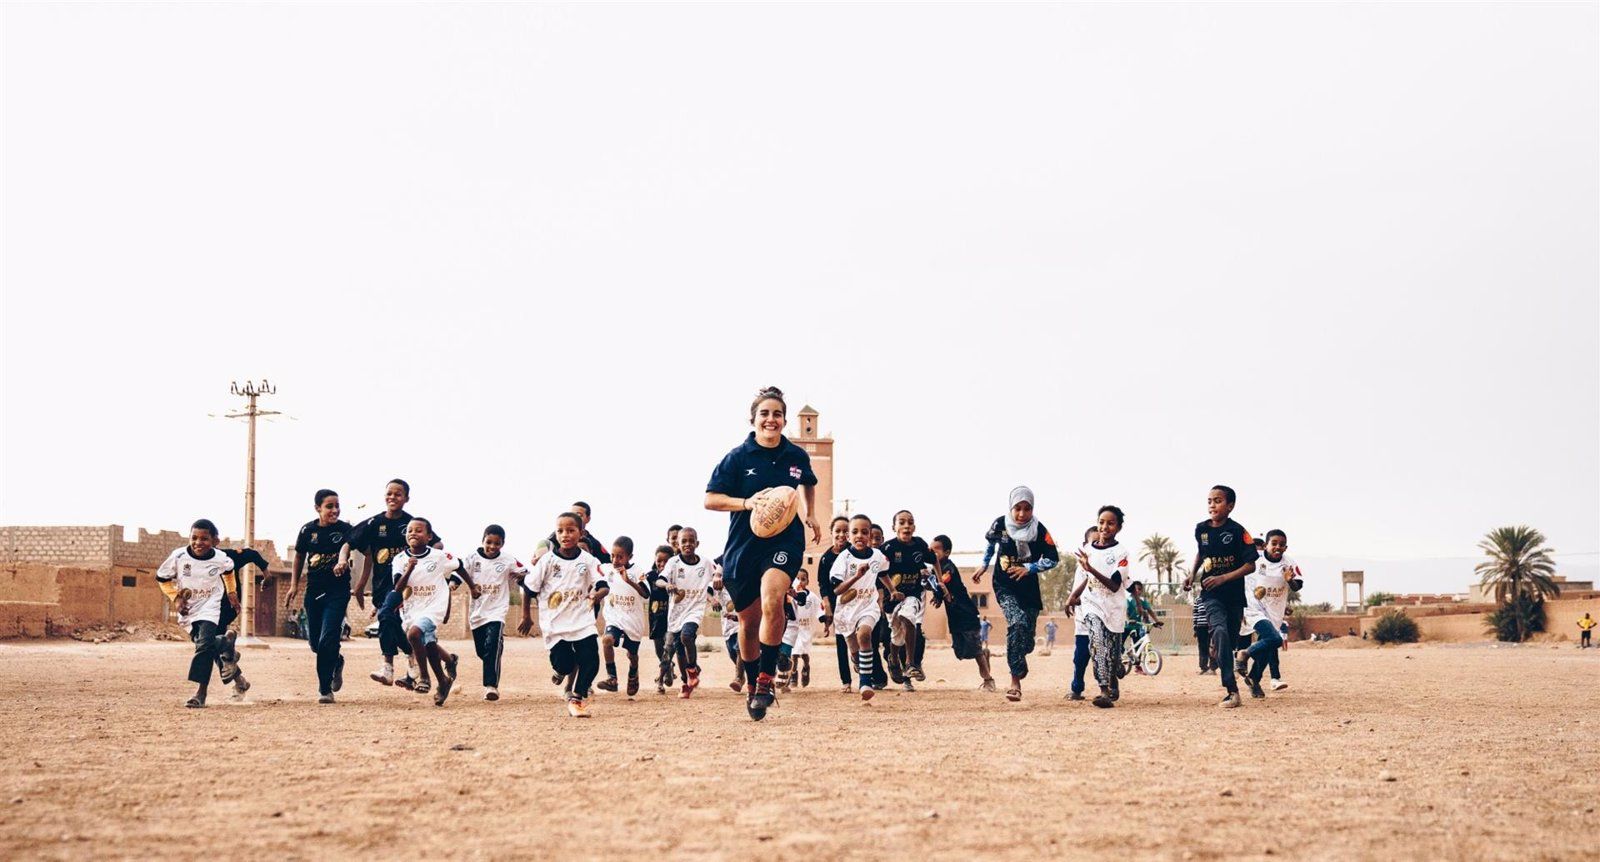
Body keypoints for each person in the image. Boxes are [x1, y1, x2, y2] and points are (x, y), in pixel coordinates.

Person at [703, 386, 821, 720]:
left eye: (777, 414)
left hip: (785, 541)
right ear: (753, 419)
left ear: (784, 419)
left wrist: (810, 513)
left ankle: (767, 680)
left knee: (773, 599)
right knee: (749, 621)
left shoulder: (796, 456)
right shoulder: (737, 457)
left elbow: (808, 482)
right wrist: (746, 502)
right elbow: (710, 499)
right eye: (764, 414)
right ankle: (754, 683)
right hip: (743, 545)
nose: (771, 419)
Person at [342, 478, 443, 688]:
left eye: (398, 494)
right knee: (392, 623)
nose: (393, 497)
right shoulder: (374, 524)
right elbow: (351, 544)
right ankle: (415, 656)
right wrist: (348, 567)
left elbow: (438, 544)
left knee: (387, 616)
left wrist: (428, 565)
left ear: (406, 498)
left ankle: (387, 666)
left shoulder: (412, 525)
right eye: (389, 493)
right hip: (382, 586)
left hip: (406, 587)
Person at [519, 512, 610, 718]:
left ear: (581, 533)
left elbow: (603, 585)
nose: (565, 535)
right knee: (565, 664)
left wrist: (597, 594)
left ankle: (576, 699)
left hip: (582, 621)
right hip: (555, 624)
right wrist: (526, 616)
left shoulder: (589, 560)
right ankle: (560, 671)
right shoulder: (547, 561)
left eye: (570, 530)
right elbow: (529, 589)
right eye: (560, 531)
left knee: (591, 660)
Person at [978, 486, 1059, 702]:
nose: (1022, 514)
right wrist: (984, 565)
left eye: (1027, 509)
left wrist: (1029, 568)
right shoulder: (1000, 524)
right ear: (1011, 507)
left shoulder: (1039, 530)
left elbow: (1053, 558)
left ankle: (1021, 655)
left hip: (1028, 589)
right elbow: (991, 546)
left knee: (1027, 641)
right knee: (1017, 622)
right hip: (1004, 586)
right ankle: (1015, 682)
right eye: (1018, 508)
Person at [1182, 485, 1259, 709]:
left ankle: (1226, 657)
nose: (1212, 505)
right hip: (1211, 594)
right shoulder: (1201, 529)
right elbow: (1202, 552)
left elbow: (1251, 565)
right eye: (1209, 501)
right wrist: (1192, 574)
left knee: (1229, 639)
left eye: (1217, 501)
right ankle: (1232, 691)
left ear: (1230, 506)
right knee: (1219, 631)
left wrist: (1224, 578)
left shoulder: (1238, 531)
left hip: (1233, 596)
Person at [156, 519, 240, 708]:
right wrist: (176, 598)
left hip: (210, 605)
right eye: (194, 538)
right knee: (205, 644)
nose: (198, 543)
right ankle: (227, 644)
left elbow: (229, 572)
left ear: (215, 541)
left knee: (203, 647)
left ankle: (201, 693)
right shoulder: (178, 556)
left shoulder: (221, 558)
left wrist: (231, 592)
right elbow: (162, 579)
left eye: (204, 539)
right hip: (189, 608)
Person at [393, 518, 475, 706]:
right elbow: (398, 588)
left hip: (434, 606)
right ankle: (445, 676)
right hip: (412, 608)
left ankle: (424, 678)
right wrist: (409, 569)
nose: (413, 533)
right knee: (428, 643)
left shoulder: (439, 556)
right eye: (410, 530)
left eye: (418, 530)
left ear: (429, 536)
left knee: (414, 634)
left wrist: (472, 587)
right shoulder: (400, 559)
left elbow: (460, 566)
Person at [286, 489, 353, 703]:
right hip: (314, 591)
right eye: (329, 506)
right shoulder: (308, 530)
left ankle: (325, 689)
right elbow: (299, 556)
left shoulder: (345, 530)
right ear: (318, 508)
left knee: (328, 639)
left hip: (338, 592)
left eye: (337, 506)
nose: (335, 510)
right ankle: (337, 661)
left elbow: (362, 550)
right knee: (316, 644)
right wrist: (294, 585)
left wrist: (359, 584)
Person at [1064, 506, 1130, 708]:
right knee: (1097, 643)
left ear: (1118, 527)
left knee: (1112, 652)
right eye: (1101, 522)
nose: (1104, 527)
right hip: (1091, 605)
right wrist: (1072, 597)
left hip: (1114, 609)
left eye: (1110, 523)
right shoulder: (1088, 551)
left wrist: (1091, 569)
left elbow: (1115, 585)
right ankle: (1104, 691)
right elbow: (1084, 579)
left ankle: (1114, 674)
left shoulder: (1121, 553)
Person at [464, 524, 528, 701]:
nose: (492, 547)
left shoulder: (508, 560)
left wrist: (524, 577)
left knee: (492, 645)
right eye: (489, 542)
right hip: (477, 613)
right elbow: (459, 573)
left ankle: (491, 686)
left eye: (497, 543)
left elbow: (525, 573)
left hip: (497, 611)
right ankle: (494, 653)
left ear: (503, 544)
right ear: (483, 540)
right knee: (483, 652)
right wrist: (454, 584)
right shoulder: (472, 558)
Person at [830, 514, 887, 701]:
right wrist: (856, 576)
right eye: (855, 532)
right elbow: (837, 590)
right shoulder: (843, 558)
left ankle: (865, 683)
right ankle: (858, 662)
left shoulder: (877, 556)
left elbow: (883, 573)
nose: (859, 536)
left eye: (864, 532)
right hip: (846, 611)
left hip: (868, 606)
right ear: (848, 536)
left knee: (864, 635)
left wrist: (892, 590)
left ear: (870, 535)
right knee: (855, 653)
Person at [930, 534, 995, 691]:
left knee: (974, 649)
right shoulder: (934, 570)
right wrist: (937, 596)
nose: (933, 553)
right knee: (961, 652)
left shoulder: (948, 568)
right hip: (954, 616)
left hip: (966, 613)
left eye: (936, 550)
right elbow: (937, 587)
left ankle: (988, 680)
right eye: (931, 550)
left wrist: (938, 592)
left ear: (947, 552)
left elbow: (943, 582)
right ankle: (984, 654)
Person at [879, 510, 934, 690]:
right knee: (896, 637)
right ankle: (894, 658)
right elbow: (880, 572)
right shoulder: (887, 548)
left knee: (908, 617)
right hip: (892, 599)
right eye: (901, 522)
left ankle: (911, 663)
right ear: (893, 527)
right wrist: (892, 590)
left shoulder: (919, 545)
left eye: (910, 522)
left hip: (912, 595)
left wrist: (940, 581)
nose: (906, 525)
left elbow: (934, 560)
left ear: (914, 527)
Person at [1241, 529, 1296, 698]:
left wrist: (1289, 580)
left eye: (1282, 544)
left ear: (1286, 547)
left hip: (1274, 612)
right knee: (1275, 639)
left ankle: (1254, 679)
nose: (1278, 547)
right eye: (1274, 543)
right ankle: (1245, 653)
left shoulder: (1289, 563)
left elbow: (1297, 586)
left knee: (1269, 645)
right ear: (1265, 545)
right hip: (1253, 608)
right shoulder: (1254, 559)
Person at [661, 527, 714, 698]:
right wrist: (667, 585)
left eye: (691, 541)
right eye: (684, 541)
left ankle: (692, 670)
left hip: (695, 609)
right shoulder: (673, 563)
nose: (687, 544)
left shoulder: (705, 563)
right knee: (679, 650)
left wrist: (712, 596)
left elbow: (715, 579)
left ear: (697, 543)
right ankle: (686, 682)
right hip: (676, 613)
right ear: (678, 544)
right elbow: (660, 580)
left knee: (687, 636)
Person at [597, 537, 648, 697]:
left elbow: (646, 593)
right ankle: (612, 678)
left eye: (620, 557)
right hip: (614, 618)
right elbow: (589, 562)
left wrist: (629, 581)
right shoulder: (607, 570)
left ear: (629, 557)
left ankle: (633, 672)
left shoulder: (638, 571)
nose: (615, 560)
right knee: (607, 640)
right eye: (613, 556)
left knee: (632, 655)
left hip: (633, 621)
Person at [816, 516, 852, 692]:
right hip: (838, 606)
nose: (841, 535)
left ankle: (869, 677)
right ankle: (846, 681)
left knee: (862, 639)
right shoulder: (826, 558)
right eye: (838, 531)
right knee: (841, 643)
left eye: (846, 531)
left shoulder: (855, 552)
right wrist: (828, 608)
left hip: (857, 603)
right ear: (831, 533)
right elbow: (823, 585)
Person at [1065, 526, 1099, 701]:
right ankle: (1077, 688)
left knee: (1103, 656)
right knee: (1080, 658)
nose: (1097, 546)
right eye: (1094, 542)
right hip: (1083, 622)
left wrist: (1074, 599)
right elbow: (1078, 593)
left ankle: (1110, 688)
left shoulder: (1103, 566)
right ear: (1084, 545)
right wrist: (1073, 599)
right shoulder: (1080, 568)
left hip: (1102, 620)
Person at [644, 544, 676, 693]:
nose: (662, 564)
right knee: (659, 650)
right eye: (659, 561)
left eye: (666, 561)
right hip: (656, 619)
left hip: (672, 619)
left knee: (668, 649)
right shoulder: (650, 576)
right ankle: (668, 668)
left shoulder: (675, 577)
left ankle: (661, 680)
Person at [787, 570, 819, 688]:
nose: (800, 582)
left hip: (806, 629)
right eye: (797, 579)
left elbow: (819, 609)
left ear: (808, 581)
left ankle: (806, 667)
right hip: (795, 628)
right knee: (794, 654)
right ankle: (793, 674)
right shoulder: (790, 596)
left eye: (803, 579)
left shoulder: (812, 597)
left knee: (805, 655)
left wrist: (824, 620)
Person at [1124, 580, 1162, 675]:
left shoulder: (1142, 601)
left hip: (1136, 625)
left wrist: (1156, 622)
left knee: (1139, 646)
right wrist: (1128, 619)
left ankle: (1137, 667)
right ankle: (1124, 655)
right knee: (1120, 643)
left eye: (1140, 589)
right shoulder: (1127, 599)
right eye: (1136, 589)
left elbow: (1149, 611)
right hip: (1126, 626)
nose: (1138, 591)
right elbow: (1125, 611)